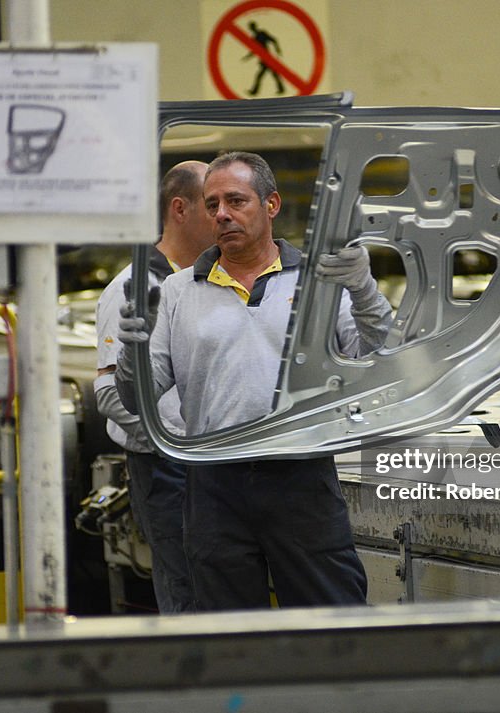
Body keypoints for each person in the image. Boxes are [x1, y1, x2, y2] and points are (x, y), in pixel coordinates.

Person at [115, 151, 392, 610]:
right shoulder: (176, 293)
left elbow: (376, 357)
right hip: (211, 482)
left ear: (271, 205)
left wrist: (363, 289)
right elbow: (137, 397)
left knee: (333, 623)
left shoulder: (318, 283)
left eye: (236, 201)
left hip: (300, 475)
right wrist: (133, 349)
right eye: (212, 204)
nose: (222, 214)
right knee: (229, 636)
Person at [94, 160, 212, 613]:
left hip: (215, 461)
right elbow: (108, 393)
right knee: (185, 583)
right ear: (179, 209)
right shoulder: (133, 287)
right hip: (166, 469)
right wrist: (173, 442)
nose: (224, 216)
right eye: (213, 203)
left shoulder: (208, 283)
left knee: (219, 583)